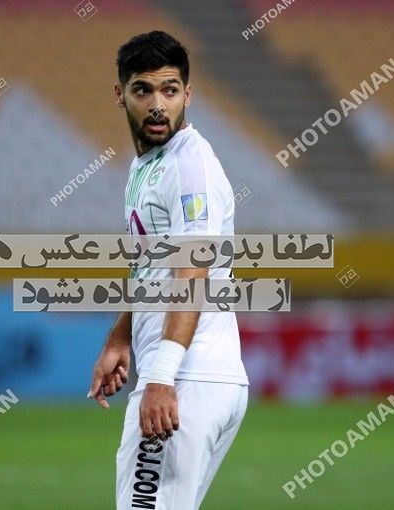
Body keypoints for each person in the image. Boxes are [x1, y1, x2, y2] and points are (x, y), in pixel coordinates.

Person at [87, 31, 249, 509]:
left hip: (186, 379)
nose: (158, 105)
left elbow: (191, 275)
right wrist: (121, 335)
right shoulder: (148, 166)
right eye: (143, 90)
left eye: (170, 90)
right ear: (120, 95)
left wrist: (161, 378)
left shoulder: (189, 168)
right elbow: (153, 269)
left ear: (188, 94)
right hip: (193, 378)